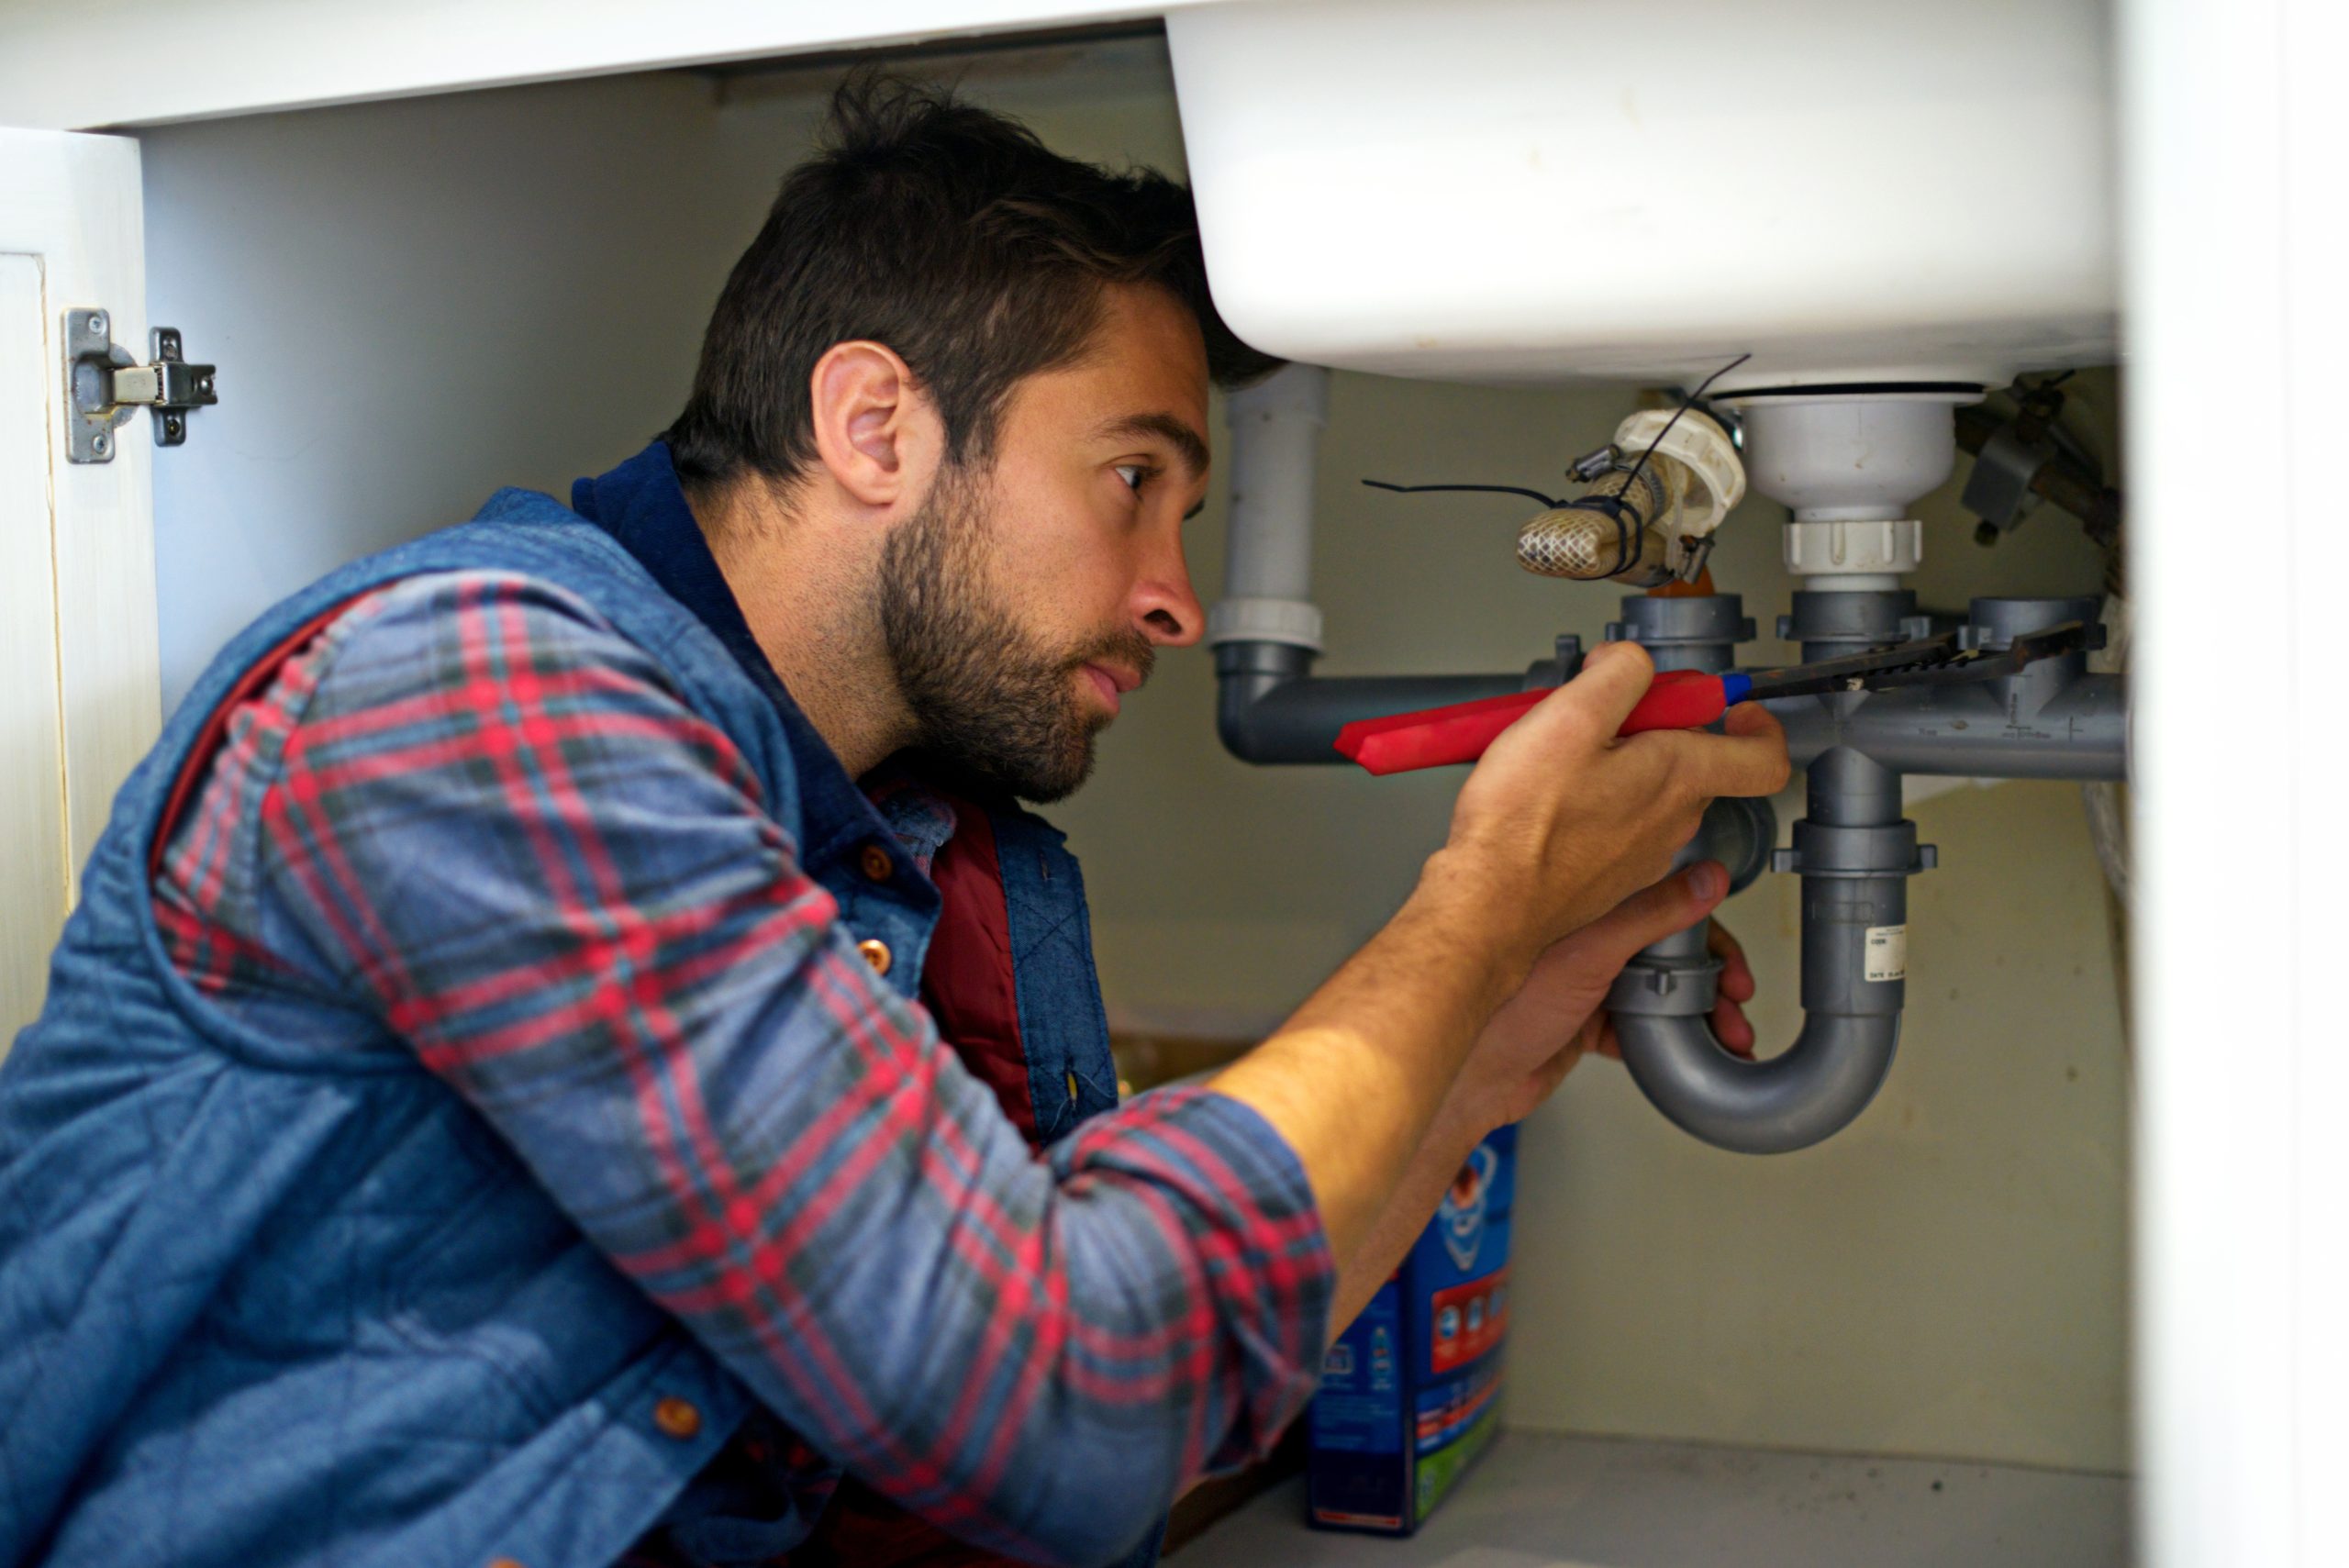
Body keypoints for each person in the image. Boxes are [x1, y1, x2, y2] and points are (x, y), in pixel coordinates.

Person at [0, 74, 1786, 1568]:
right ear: (873, 425)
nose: (1174, 598)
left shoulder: (918, 847)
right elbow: (1058, 1403)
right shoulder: (481, 698)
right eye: (1132, 480)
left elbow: (1151, 1377)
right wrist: (1473, 903)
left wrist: (1489, 1035)